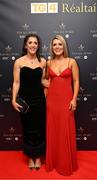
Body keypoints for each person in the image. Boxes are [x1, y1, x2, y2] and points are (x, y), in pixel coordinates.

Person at [46, 35, 79, 176]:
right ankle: (53, 161)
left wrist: (74, 99)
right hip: (51, 102)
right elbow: (47, 81)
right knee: (53, 131)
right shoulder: (48, 62)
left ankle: (65, 164)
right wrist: (45, 96)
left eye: (60, 44)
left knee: (65, 130)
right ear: (52, 47)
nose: (57, 47)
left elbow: (76, 81)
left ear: (63, 46)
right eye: (55, 45)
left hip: (66, 101)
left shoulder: (71, 62)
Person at [12, 33, 46, 170]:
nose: (33, 45)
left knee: (39, 129)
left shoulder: (43, 62)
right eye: (30, 42)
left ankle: (37, 157)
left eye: (35, 43)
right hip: (24, 101)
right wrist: (13, 99)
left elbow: (43, 81)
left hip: (39, 101)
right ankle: (30, 157)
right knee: (27, 129)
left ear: (38, 46)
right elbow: (16, 82)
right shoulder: (19, 62)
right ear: (26, 45)